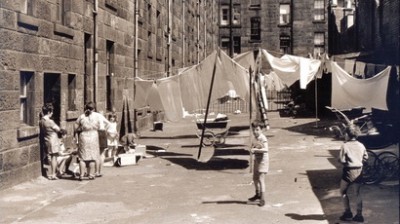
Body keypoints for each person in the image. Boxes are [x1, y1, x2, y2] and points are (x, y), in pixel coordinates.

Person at [338, 124, 368, 222]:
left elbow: (341, 160)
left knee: (343, 192)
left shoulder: (345, 146)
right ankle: (359, 215)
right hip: (359, 170)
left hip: (348, 171)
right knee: (357, 193)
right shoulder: (361, 145)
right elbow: (365, 158)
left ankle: (348, 213)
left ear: (347, 134)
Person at [74, 102, 109, 180]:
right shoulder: (97, 116)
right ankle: (91, 174)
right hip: (93, 136)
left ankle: (81, 175)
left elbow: (75, 126)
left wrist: (78, 131)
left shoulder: (81, 116)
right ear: (94, 108)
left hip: (83, 136)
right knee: (92, 157)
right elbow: (101, 127)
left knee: (82, 157)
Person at [248, 121, 269, 206]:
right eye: (254, 130)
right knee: (255, 178)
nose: (255, 132)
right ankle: (257, 194)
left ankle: (262, 199)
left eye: (257, 130)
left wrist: (255, 150)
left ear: (261, 130)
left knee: (261, 179)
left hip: (263, 161)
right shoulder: (255, 138)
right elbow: (254, 147)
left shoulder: (262, 138)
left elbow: (266, 149)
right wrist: (252, 149)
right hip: (257, 160)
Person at [39, 103, 62, 180]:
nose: (52, 113)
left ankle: (55, 172)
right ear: (48, 112)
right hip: (53, 140)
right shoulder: (50, 121)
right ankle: (53, 174)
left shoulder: (41, 121)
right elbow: (58, 129)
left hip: (46, 139)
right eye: (51, 111)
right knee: (54, 157)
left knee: (50, 156)